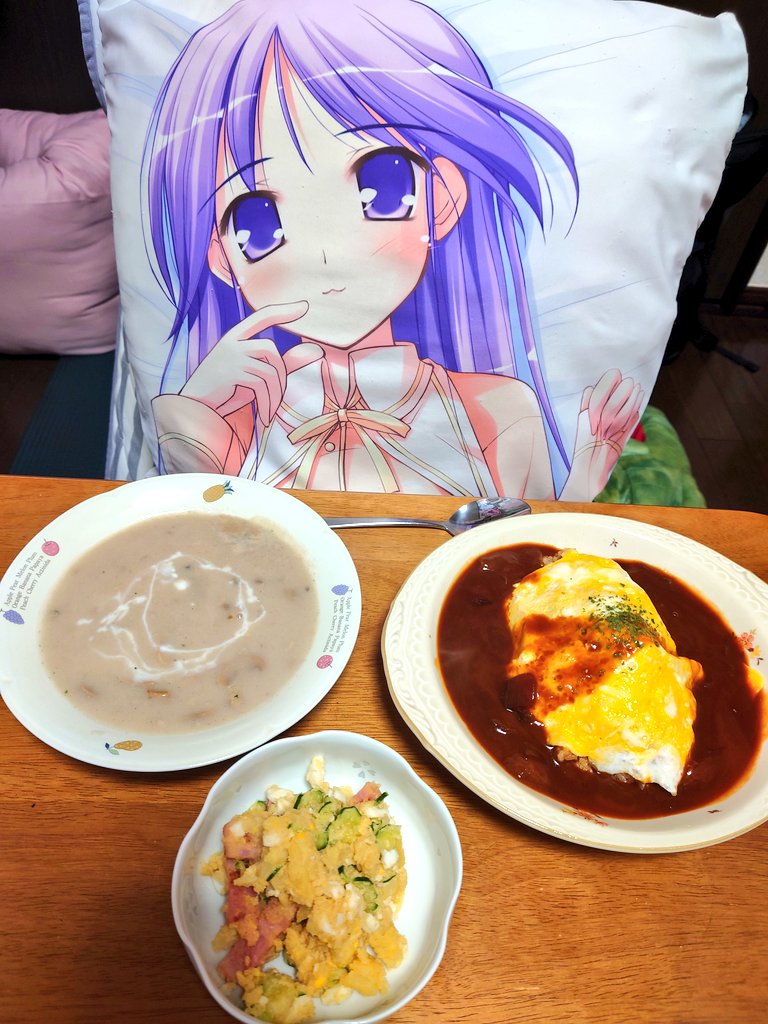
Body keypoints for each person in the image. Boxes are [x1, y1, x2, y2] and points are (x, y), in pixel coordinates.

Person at [144, 0, 642, 498]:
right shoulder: (241, 414)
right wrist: (196, 405)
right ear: (221, 255)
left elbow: (518, 535)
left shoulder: (497, 407)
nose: (325, 253)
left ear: (443, 196)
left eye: (381, 186)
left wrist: (581, 481)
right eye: (258, 222)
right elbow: (195, 517)